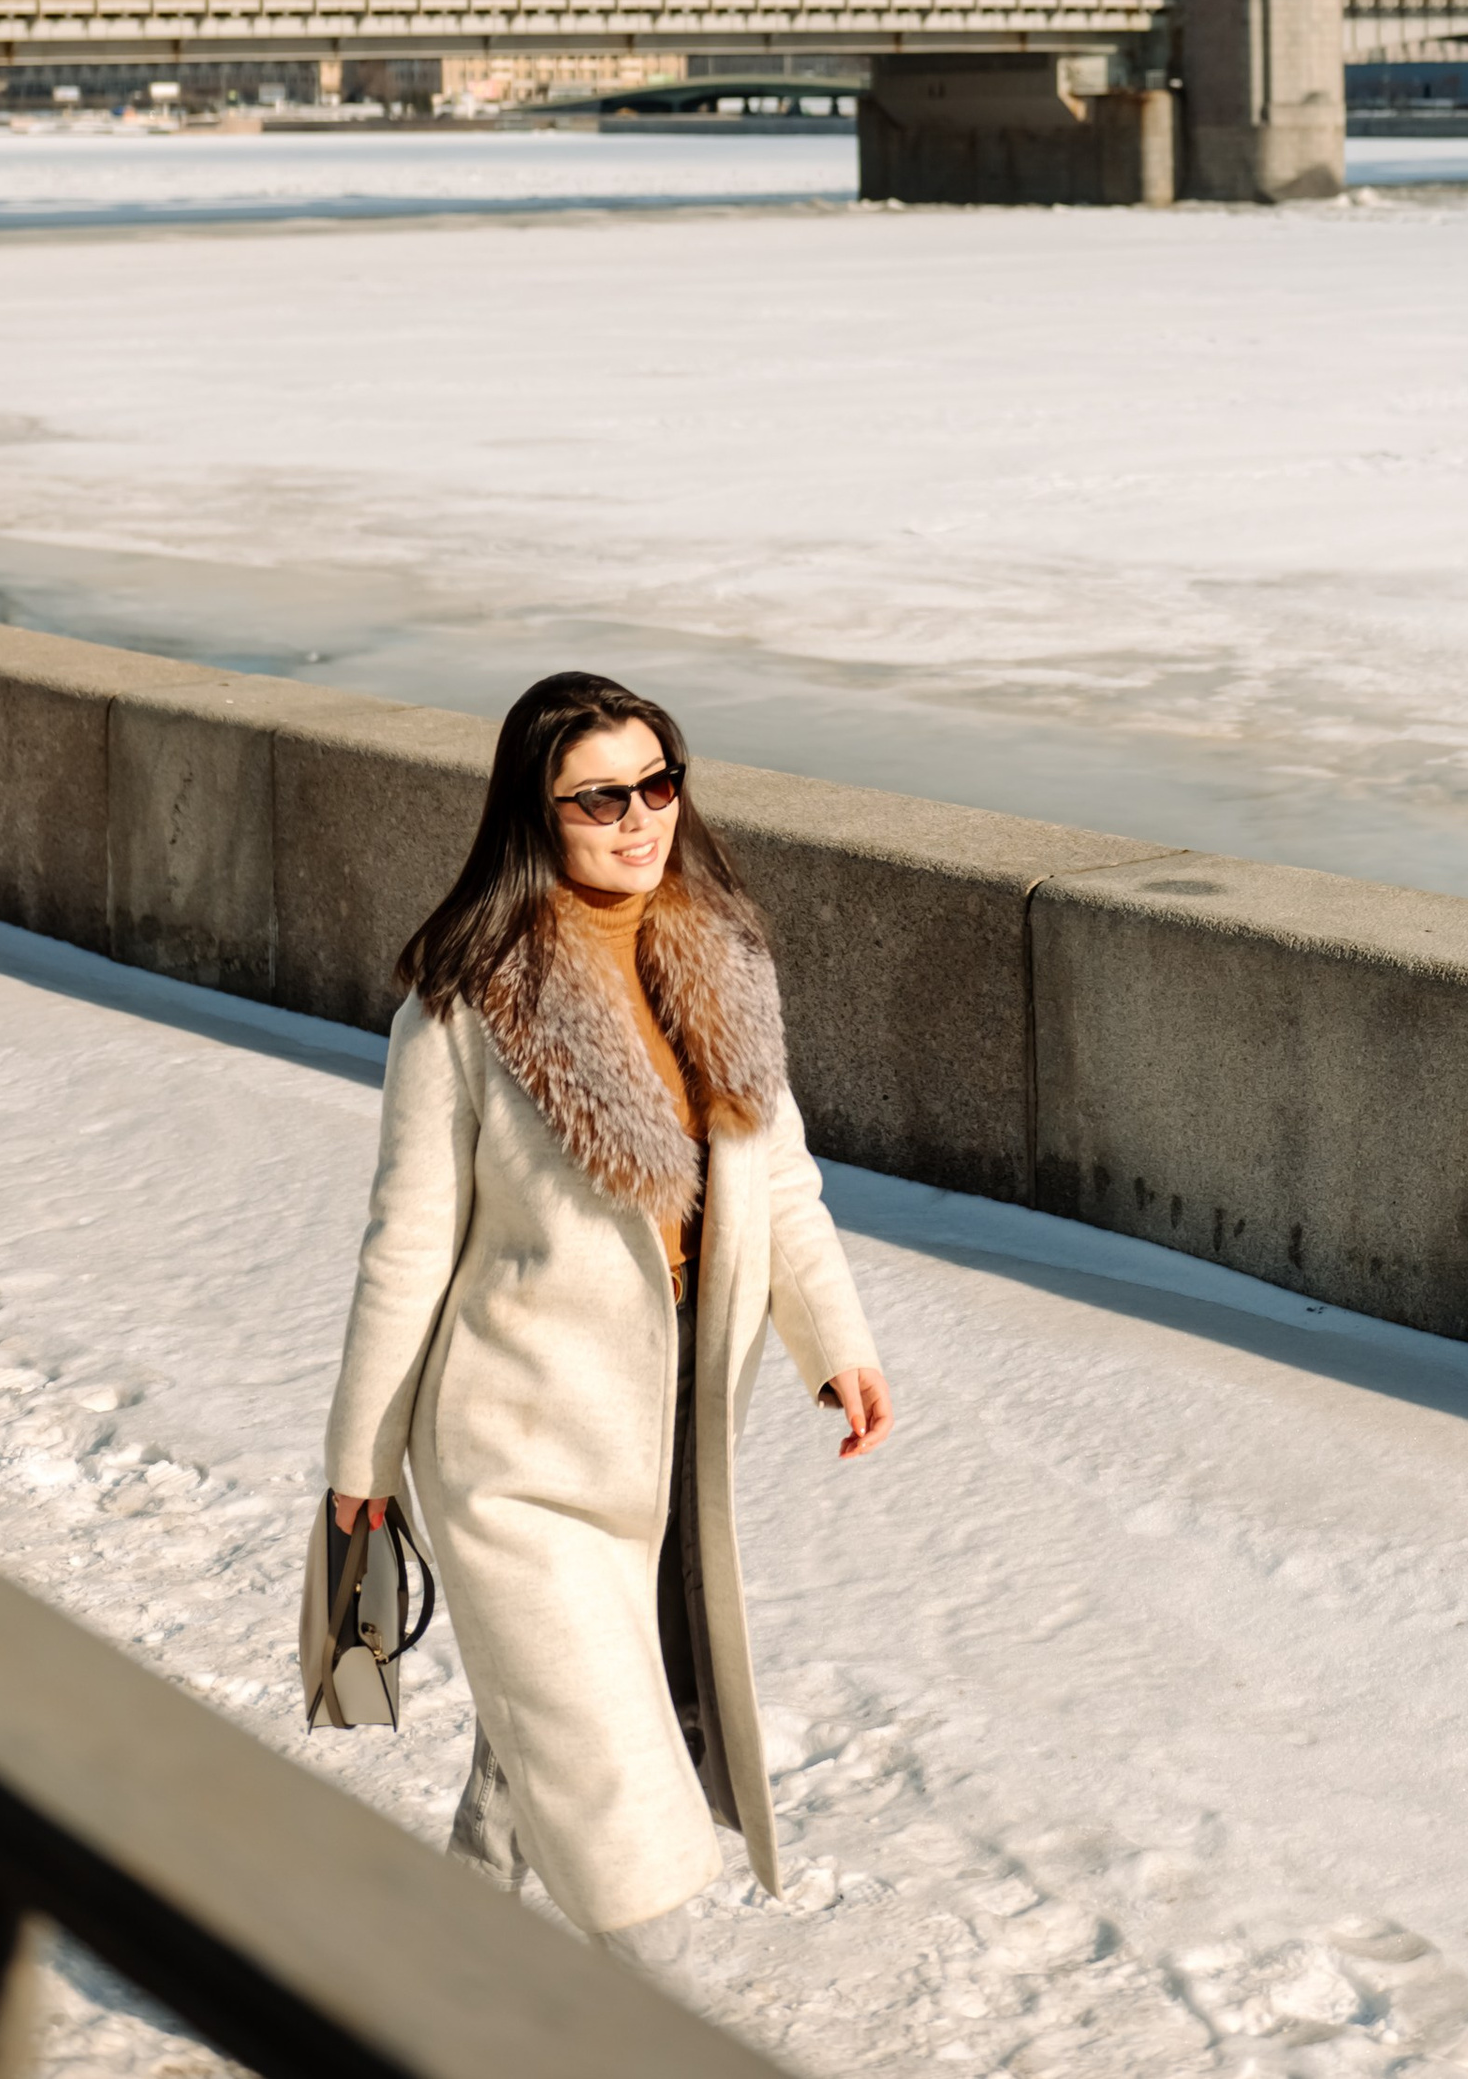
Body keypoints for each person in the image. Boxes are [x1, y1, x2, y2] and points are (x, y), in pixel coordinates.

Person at [323, 670, 891, 1970]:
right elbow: (404, 1248)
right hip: (514, 1452)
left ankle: (444, 1969)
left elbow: (779, 1178)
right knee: (622, 1795)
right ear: (536, 815)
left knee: (545, 1751)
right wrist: (360, 1466)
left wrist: (838, 1344)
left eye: (659, 784)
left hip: (674, 1436)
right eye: (599, 800)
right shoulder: (463, 1005)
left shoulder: (724, 958)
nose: (640, 821)